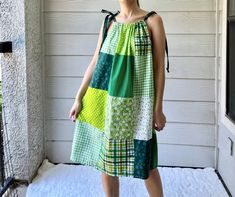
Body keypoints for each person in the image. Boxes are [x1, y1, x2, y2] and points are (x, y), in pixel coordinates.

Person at [69, 0, 169, 196]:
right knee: (106, 164)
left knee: (145, 162)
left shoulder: (153, 21)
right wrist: (78, 97)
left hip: (141, 103)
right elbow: (96, 61)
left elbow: (159, 68)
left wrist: (158, 109)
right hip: (105, 100)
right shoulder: (109, 22)